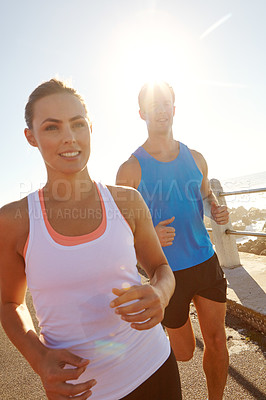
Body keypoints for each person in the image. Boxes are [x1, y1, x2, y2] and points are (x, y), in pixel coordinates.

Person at [0, 79, 182, 400]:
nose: (70, 137)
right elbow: (9, 303)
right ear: (31, 137)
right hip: (80, 391)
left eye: (77, 123)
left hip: (154, 366)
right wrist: (38, 358)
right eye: (52, 127)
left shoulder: (127, 201)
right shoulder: (13, 220)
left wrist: (160, 294)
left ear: (90, 127)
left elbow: (161, 268)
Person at [116, 81, 230, 400]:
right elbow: (122, 230)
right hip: (167, 273)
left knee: (217, 341)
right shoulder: (130, 169)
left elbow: (206, 195)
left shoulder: (196, 158)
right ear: (142, 113)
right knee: (184, 353)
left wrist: (215, 209)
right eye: (153, 105)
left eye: (165, 103)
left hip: (206, 262)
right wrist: (150, 234)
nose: (161, 109)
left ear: (174, 109)